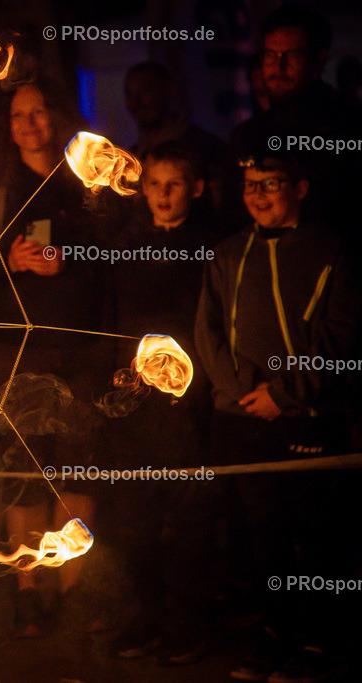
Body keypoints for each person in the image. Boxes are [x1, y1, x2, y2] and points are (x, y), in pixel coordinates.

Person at [195, 149, 360, 682]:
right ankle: (275, 635)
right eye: (250, 186)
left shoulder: (334, 250)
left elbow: (342, 338)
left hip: (308, 418)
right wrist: (246, 392)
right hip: (242, 418)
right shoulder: (226, 253)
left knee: (316, 535)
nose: (258, 196)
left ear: (302, 188)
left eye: (271, 184)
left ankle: (321, 640)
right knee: (263, 536)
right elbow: (208, 334)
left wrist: (284, 396)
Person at [0, 78, 107, 638]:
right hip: (16, 349)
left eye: (39, 111)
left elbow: (119, 254)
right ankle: (28, 591)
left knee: (78, 468)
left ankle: (72, 591)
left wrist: (72, 257)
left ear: (59, 117)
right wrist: (10, 259)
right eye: (18, 114)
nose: (28, 123)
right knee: (25, 471)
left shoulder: (88, 180)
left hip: (82, 347)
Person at [106, 141, 220, 664]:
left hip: (191, 403)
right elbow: (110, 319)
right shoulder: (126, 243)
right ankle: (143, 617)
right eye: (153, 183)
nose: (163, 194)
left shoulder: (213, 247)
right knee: (136, 519)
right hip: (136, 406)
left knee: (190, 520)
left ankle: (187, 623)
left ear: (194, 188)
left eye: (174, 183)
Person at [228, 4, 360, 244]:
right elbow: (235, 222)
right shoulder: (246, 136)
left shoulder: (349, 127)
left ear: (318, 60)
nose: (278, 67)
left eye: (292, 56)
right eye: (270, 55)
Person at [123, 61, 227, 212]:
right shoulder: (132, 156)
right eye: (129, 93)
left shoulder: (205, 148)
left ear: (169, 90)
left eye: (146, 91)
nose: (136, 102)